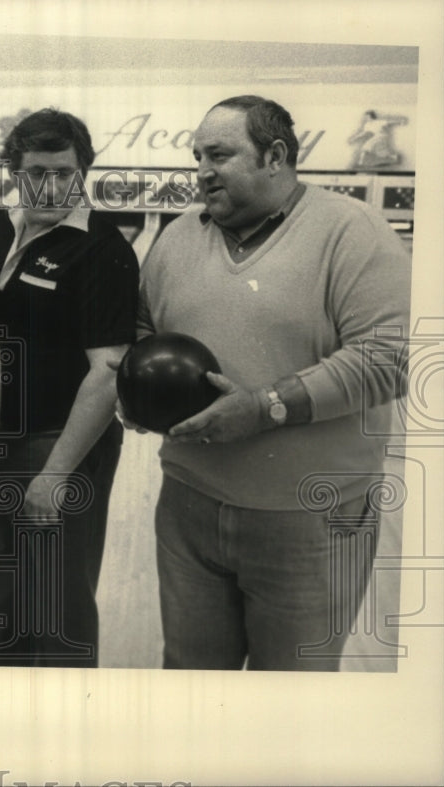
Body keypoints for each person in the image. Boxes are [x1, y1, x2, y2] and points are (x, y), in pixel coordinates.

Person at [132, 95, 410, 671]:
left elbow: (390, 357)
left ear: (275, 156)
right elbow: (144, 331)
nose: (202, 170)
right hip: (188, 508)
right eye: (196, 156)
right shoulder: (178, 237)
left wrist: (265, 407)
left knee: (291, 695)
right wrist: (134, 388)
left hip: (310, 520)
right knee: (191, 682)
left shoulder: (352, 231)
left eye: (220, 154)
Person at [0, 109, 139, 667]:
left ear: (84, 171)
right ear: (13, 173)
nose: (49, 186)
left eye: (63, 172)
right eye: (34, 172)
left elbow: (107, 371)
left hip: (60, 447)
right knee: (8, 601)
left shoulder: (101, 249)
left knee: (58, 608)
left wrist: (55, 475)